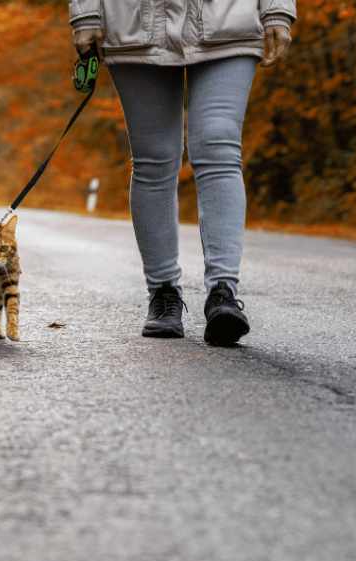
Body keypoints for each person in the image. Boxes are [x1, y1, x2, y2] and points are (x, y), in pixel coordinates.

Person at [69, 0, 296, 345]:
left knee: (218, 148)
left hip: (229, 17)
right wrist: (86, 13)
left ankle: (223, 293)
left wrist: (277, 9)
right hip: (133, 21)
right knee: (153, 160)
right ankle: (163, 294)